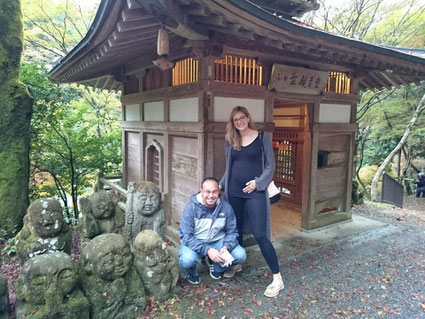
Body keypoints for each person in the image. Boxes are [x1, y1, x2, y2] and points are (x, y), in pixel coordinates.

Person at [220, 106, 284, 298]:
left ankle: (277, 278)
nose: (239, 122)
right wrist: (218, 187)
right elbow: (229, 167)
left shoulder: (262, 137)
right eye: (235, 120)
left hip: (255, 192)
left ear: (248, 117)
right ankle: (236, 264)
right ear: (232, 122)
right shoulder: (231, 140)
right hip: (233, 192)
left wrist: (258, 183)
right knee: (235, 230)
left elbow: (270, 165)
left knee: (260, 233)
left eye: (242, 118)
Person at [178, 177, 246, 285]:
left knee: (240, 254)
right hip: (196, 241)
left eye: (214, 192)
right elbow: (186, 236)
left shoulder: (226, 207)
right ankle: (192, 273)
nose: (211, 195)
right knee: (187, 260)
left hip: (217, 240)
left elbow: (232, 231)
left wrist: (226, 246)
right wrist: (208, 250)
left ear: (218, 192)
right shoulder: (191, 208)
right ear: (201, 191)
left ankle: (216, 267)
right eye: (207, 191)